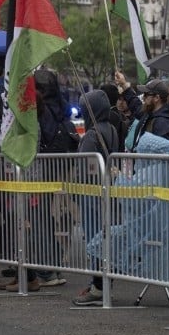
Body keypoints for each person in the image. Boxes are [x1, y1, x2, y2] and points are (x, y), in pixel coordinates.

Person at [71, 88, 125, 306]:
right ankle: (101, 283)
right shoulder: (111, 128)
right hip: (105, 192)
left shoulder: (92, 135)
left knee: (94, 241)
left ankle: (98, 287)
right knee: (103, 239)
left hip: (92, 194)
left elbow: (82, 166)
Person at [115, 73, 169, 149]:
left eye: (146, 94)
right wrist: (124, 84)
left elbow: (157, 152)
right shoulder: (150, 113)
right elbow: (136, 105)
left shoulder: (162, 123)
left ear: (156, 98)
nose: (143, 98)